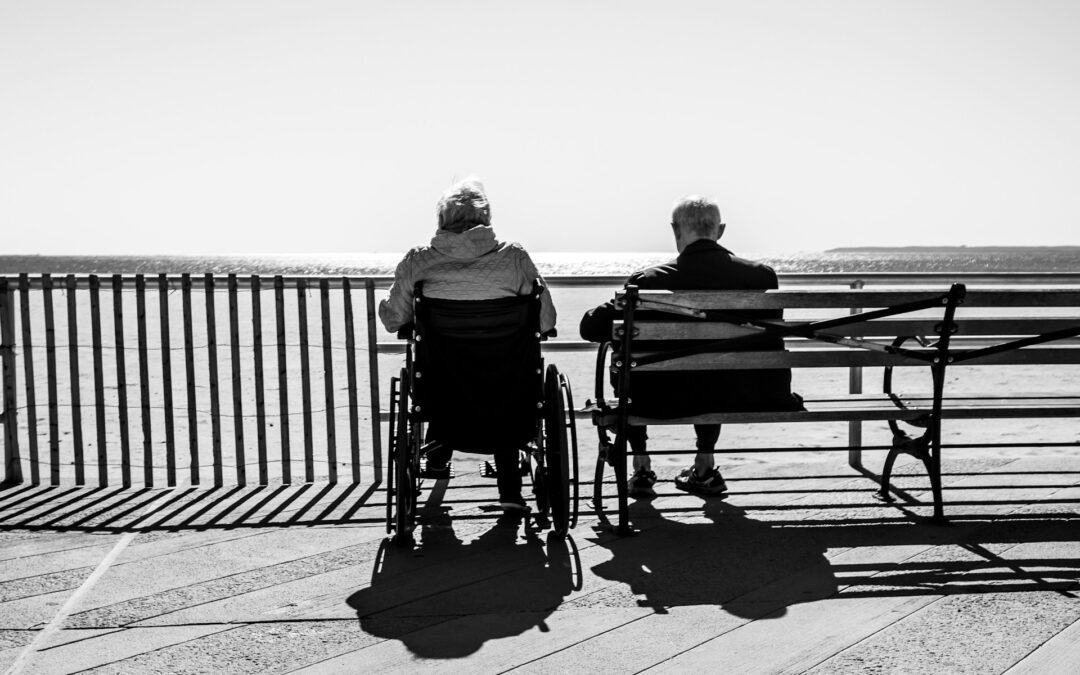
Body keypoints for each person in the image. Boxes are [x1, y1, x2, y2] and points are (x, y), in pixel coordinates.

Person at [579, 195, 801, 499]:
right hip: (747, 394)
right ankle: (705, 464)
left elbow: (590, 328)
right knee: (718, 365)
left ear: (675, 230)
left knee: (627, 356)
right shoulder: (761, 276)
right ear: (720, 230)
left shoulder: (648, 281)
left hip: (659, 399)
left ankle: (641, 464)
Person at [379, 177, 557, 511]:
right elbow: (546, 321)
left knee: (447, 368)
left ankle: (435, 458)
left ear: (442, 221)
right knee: (499, 376)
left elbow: (393, 320)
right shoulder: (514, 257)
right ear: (486, 219)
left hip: (444, 389)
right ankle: (510, 494)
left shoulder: (419, 261)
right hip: (508, 387)